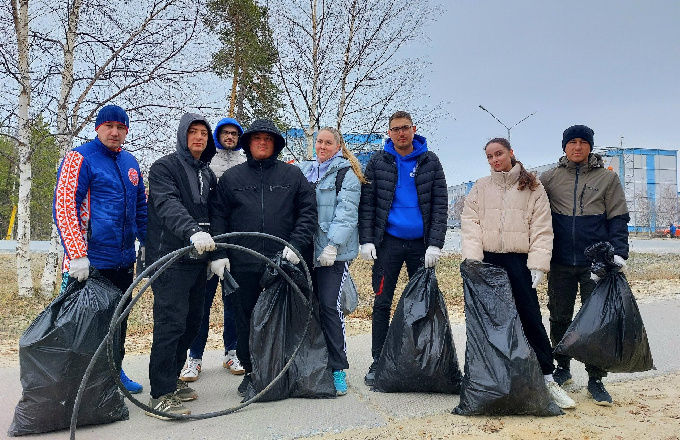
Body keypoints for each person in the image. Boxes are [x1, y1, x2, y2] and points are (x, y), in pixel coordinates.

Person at [461, 138, 576, 409]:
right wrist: (474, 261)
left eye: (498, 154)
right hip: (487, 263)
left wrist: (538, 264)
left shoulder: (533, 186)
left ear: (511, 153)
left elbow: (541, 227)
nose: (494, 160)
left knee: (530, 320)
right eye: (489, 156)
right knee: (488, 323)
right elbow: (470, 223)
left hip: (519, 262)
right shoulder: (481, 187)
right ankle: (489, 380)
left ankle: (547, 379)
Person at [210, 119, 317, 397]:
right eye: (256, 138)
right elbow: (219, 217)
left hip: (282, 263)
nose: (262, 143)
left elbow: (308, 212)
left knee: (284, 319)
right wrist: (220, 253)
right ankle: (251, 372)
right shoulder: (232, 178)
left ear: (276, 145)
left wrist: (295, 245)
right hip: (243, 263)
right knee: (245, 319)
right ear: (248, 144)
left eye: (268, 139)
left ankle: (284, 369)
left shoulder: (292, 176)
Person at [53, 104, 147, 394]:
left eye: (121, 128)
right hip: (89, 262)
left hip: (123, 261)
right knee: (80, 325)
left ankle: (113, 373)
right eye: (109, 126)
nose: (115, 132)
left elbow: (141, 208)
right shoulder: (80, 158)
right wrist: (76, 253)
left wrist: (147, 244)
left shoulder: (131, 163)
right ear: (98, 128)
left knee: (117, 322)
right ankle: (71, 383)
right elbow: (64, 205)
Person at [540, 124, 630, 406]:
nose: (577, 147)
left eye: (583, 142)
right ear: (564, 147)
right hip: (560, 260)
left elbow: (617, 218)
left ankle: (596, 378)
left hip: (596, 263)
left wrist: (619, 253)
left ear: (590, 146)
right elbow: (533, 212)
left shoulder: (607, 179)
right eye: (572, 142)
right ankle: (562, 368)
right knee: (559, 316)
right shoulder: (549, 178)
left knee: (596, 322)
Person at [358, 110, 448, 386]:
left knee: (423, 303)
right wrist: (367, 239)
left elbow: (439, 206)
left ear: (414, 129)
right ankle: (379, 360)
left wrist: (435, 244)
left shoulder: (430, 162)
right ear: (389, 133)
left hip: (421, 246)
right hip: (389, 243)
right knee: (382, 302)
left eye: (405, 128)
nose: (400, 133)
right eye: (395, 129)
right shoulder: (378, 162)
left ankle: (422, 360)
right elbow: (368, 204)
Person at [145, 113, 218, 418]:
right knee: (170, 325)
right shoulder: (165, 168)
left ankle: (173, 379)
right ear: (182, 136)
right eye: (193, 132)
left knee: (191, 322)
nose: (199, 137)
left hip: (196, 261)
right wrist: (192, 231)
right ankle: (160, 394)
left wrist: (216, 255)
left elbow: (214, 213)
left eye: (204, 133)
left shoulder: (208, 174)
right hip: (169, 260)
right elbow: (167, 204)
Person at [298, 127, 366, 396]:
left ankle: (337, 368)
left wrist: (333, 246)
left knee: (328, 305)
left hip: (331, 254)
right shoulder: (305, 171)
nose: (322, 146)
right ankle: (313, 361)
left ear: (338, 146)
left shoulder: (346, 174)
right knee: (307, 305)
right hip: (305, 250)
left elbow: (347, 214)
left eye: (328, 143)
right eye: (319, 142)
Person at [180, 117, 245, 382]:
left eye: (234, 133)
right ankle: (194, 358)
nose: (229, 137)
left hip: (234, 244)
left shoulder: (244, 164)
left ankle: (232, 351)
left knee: (233, 303)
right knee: (200, 305)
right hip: (205, 243)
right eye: (225, 133)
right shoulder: (206, 165)